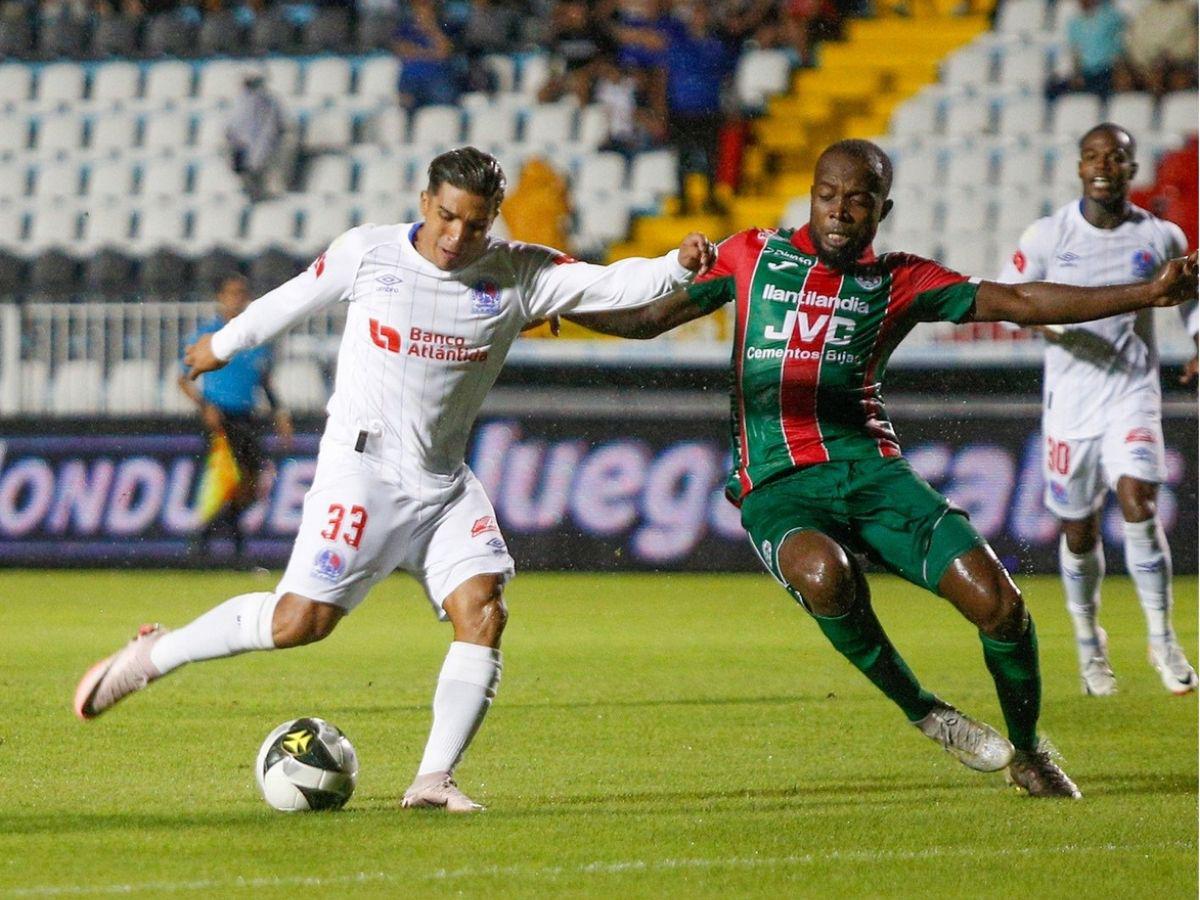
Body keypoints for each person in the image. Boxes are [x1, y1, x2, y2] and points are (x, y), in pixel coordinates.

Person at [74, 147, 718, 813]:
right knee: (300, 623)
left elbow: (616, 286)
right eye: (445, 217)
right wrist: (227, 343)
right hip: (363, 470)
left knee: (484, 611)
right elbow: (294, 297)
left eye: (474, 224)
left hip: (443, 484)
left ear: (494, 218)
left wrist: (676, 265)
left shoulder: (520, 273)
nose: (455, 237)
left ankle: (433, 779)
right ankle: (157, 654)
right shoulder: (370, 254)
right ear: (424, 203)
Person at [567, 139, 1198, 799]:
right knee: (826, 575)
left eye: (858, 199)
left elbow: (1022, 303)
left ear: (882, 209)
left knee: (1001, 606)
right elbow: (646, 318)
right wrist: (554, 305)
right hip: (780, 487)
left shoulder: (899, 280)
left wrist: (1147, 293)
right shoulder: (752, 256)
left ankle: (1027, 749)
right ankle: (928, 712)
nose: (840, 211)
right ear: (810, 195)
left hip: (873, 474)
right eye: (828, 195)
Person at [997, 124, 1197, 698]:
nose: (1103, 165)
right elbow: (1012, 297)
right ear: (1079, 166)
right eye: (1092, 156)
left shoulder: (1161, 237)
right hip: (1071, 404)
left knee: (1140, 500)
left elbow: (1191, 297)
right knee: (1079, 531)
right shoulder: (1047, 235)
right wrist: (1057, 324)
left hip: (1132, 392)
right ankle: (1090, 646)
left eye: (1117, 156)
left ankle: (1163, 639)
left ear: (1133, 168)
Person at [178, 273, 294, 562]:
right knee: (227, 480)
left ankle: (206, 534)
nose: (237, 298)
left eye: (242, 293)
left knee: (252, 486)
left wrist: (279, 413)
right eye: (232, 293)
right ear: (220, 297)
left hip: (248, 417)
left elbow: (264, 379)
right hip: (220, 417)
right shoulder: (208, 334)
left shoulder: (255, 337)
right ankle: (232, 548)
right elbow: (183, 379)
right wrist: (205, 406)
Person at [1044, 0, 1126, 100]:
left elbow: (1122, 44)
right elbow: (1076, 52)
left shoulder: (1111, 17)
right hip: (1086, 74)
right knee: (1051, 88)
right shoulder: (1074, 23)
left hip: (1107, 71)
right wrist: (1077, 74)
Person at [225, 71, 286, 202]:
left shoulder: (269, 103)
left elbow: (273, 129)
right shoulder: (240, 102)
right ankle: (252, 191)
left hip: (267, 151)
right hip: (246, 151)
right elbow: (233, 131)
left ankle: (263, 191)